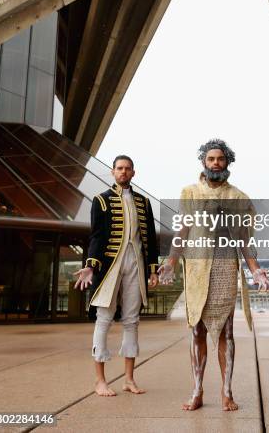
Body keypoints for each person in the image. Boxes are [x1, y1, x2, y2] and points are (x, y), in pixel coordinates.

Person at [158, 139, 269, 411]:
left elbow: (244, 240)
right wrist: (171, 262)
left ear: (228, 162)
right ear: (203, 162)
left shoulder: (239, 198)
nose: (215, 164)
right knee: (197, 329)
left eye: (220, 159)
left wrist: (256, 271)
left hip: (224, 269)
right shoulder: (189, 193)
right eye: (210, 159)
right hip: (197, 270)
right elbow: (182, 232)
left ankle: (227, 393)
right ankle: (197, 391)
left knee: (225, 332)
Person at [74, 155, 158, 397]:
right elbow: (97, 237)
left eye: (127, 169)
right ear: (113, 172)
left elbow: (149, 239)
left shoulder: (143, 202)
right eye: (119, 168)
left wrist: (152, 268)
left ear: (133, 173)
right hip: (110, 265)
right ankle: (100, 381)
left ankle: (129, 379)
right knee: (104, 319)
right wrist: (90, 265)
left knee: (132, 321)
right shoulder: (101, 200)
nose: (123, 172)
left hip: (136, 263)